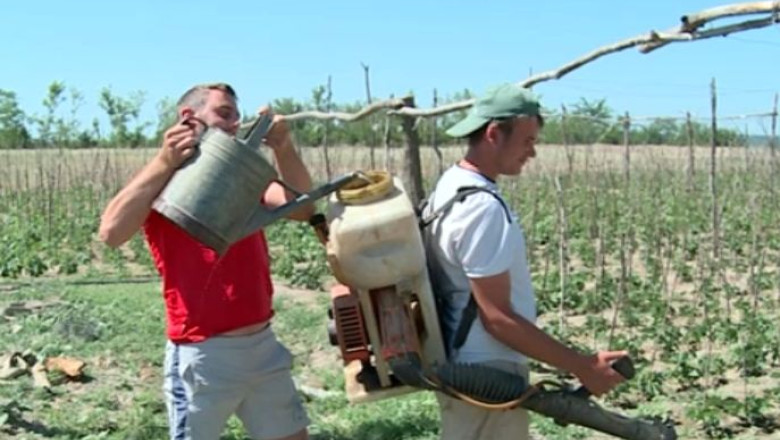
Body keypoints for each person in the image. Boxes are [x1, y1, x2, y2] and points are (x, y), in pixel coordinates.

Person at [98, 82, 313, 440]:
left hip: (262, 346)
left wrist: (284, 148)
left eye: (236, 117)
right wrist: (165, 161)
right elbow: (111, 233)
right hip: (202, 354)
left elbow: (303, 208)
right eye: (224, 115)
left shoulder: (242, 176)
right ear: (188, 117)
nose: (234, 125)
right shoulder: (163, 181)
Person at [422, 82, 627, 440]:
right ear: (493, 134)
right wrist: (583, 366)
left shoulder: (449, 186)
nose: (532, 153)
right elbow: (497, 318)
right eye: (527, 141)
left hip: (465, 363)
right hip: (487, 369)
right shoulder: (483, 207)